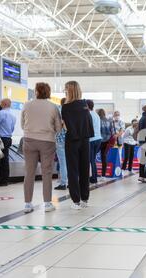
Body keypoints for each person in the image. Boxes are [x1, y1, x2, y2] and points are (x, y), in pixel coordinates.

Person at [21, 83, 62, 213]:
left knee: (29, 172)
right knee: (47, 172)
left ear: (36, 91)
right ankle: (48, 203)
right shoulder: (53, 107)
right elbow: (58, 128)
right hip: (47, 141)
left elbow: (22, 124)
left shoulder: (27, 105)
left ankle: (28, 204)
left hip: (29, 140)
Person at [62, 81, 94, 210]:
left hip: (72, 140)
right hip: (85, 140)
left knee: (73, 171)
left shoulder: (66, 107)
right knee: (84, 169)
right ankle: (85, 198)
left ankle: (76, 201)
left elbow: (64, 125)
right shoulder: (84, 104)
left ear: (68, 91)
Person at [87, 100, 102, 184]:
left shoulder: (88, 114)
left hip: (91, 139)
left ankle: (93, 178)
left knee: (91, 160)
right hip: (98, 139)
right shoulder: (96, 114)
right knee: (93, 159)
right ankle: (94, 176)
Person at [54, 98, 68, 191]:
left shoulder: (58, 111)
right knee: (70, 163)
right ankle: (71, 182)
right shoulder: (71, 111)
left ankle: (63, 183)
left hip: (60, 139)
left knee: (63, 163)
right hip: (70, 140)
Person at [97, 109, 115, 178]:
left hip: (99, 140)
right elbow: (113, 132)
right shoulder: (109, 121)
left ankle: (94, 173)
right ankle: (103, 175)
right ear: (104, 113)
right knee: (104, 157)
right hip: (107, 141)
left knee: (92, 157)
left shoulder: (98, 120)